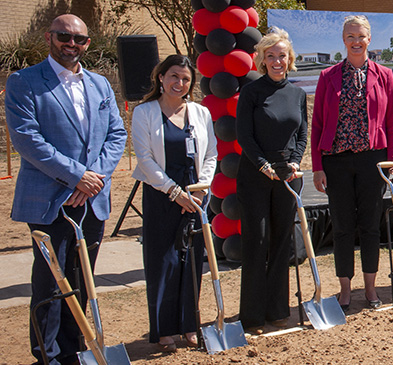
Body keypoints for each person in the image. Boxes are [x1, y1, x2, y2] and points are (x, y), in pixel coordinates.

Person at [4, 14, 127, 364]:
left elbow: (117, 135)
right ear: (49, 37)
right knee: (50, 281)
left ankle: (74, 349)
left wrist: (93, 179)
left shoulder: (100, 84)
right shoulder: (24, 81)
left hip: (92, 199)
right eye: (64, 37)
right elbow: (27, 139)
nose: (72, 44)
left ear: (88, 43)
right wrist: (76, 177)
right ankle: (48, 355)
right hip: (50, 200)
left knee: (81, 279)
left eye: (80, 40)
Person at [311, 15, 393, 310]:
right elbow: (318, 124)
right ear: (343, 40)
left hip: (372, 161)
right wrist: (318, 166)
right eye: (350, 36)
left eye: (361, 36)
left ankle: (372, 289)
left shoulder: (385, 76)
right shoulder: (328, 77)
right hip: (336, 161)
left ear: (369, 39)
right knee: (342, 227)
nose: (356, 41)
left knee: (371, 226)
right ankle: (346, 289)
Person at [131, 54, 217, 351]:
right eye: (173, 76)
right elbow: (145, 159)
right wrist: (174, 192)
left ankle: (190, 324)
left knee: (192, 261)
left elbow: (211, 155)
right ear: (161, 77)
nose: (178, 83)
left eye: (185, 79)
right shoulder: (144, 113)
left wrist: (200, 190)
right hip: (161, 194)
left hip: (196, 195)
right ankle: (164, 330)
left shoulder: (200, 112)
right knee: (163, 261)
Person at [235, 27, 307, 334]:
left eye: (282, 56)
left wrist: (295, 159)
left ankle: (278, 309)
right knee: (258, 241)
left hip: (287, 175)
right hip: (255, 173)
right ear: (262, 59)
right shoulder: (251, 92)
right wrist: (262, 164)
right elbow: (244, 135)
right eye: (271, 56)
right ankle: (251, 315)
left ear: (289, 59)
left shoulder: (298, 93)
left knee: (281, 242)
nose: (277, 61)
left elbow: (302, 133)